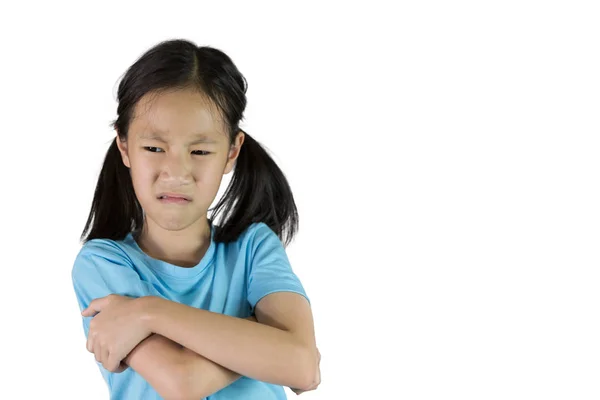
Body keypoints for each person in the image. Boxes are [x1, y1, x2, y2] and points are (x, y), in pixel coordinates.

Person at [71, 39, 320, 400]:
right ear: (124, 147)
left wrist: (148, 313)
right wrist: (266, 347)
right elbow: (180, 382)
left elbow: (303, 369)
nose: (176, 172)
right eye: (154, 148)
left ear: (232, 151)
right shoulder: (102, 263)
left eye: (200, 151)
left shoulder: (255, 248)